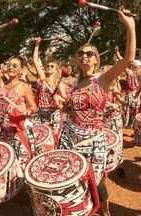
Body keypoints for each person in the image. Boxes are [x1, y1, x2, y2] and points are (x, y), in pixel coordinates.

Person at [57, 8, 136, 215]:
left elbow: (128, 59)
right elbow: (71, 109)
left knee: (97, 179)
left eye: (89, 53)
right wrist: (64, 105)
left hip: (93, 140)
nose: (84, 56)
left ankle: (105, 209)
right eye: (80, 53)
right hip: (69, 137)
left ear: (96, 60)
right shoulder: (75, 83)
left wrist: (130, 27)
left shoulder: (103, 79)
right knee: (71, 177)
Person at [0, 32, 37, 169]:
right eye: (8, 65)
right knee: (4, 165)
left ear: (20, 70)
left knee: (22, 166)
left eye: (14, 66)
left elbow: (34, 108)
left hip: (20, 132)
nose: (10, 67)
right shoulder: (1, 82)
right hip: (3, 131)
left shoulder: (24, 87)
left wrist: (26, 111)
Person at [32, 37, 59, 124]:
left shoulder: (58, 81)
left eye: (52, 66)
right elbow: (35, 60)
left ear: (56, 69)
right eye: (47, 66)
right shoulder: (42, 78)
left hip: (54, 112)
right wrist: (37, 45)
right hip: (41, 110)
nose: (49, 67)